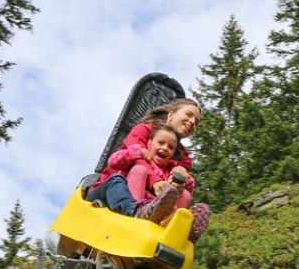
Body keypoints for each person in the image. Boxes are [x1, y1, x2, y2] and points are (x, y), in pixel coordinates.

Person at [87, 98, 210, 241]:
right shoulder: (143, 129)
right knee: (136, 171)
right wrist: (155, 182)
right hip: (113, 190)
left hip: (150, 202)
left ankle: (174, 226)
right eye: (188, 114)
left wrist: (179, 183)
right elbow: (137, 158)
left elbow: (178, 181)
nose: (193, 122)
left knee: (184, 194)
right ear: (171, 115)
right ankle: (134, 212)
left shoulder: (183, 157)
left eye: (196, 122)